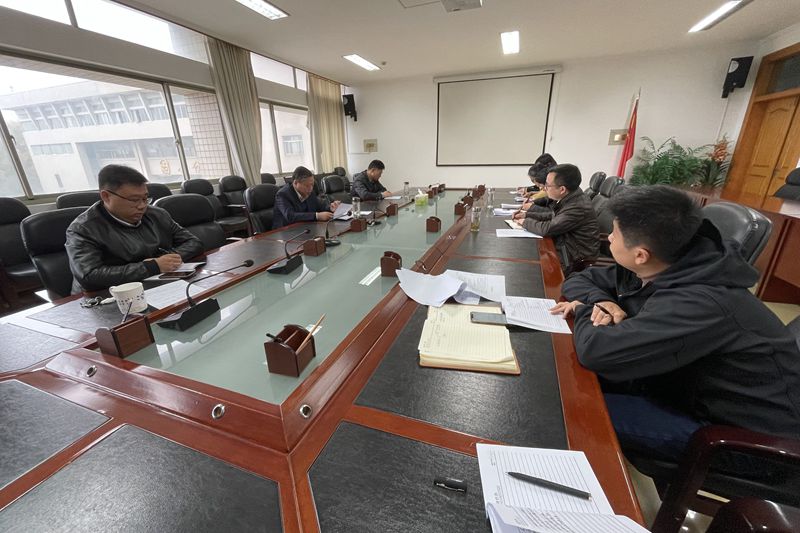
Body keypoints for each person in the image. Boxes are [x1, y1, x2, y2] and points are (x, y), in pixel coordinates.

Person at [551, 185, 800, 464]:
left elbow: (596, 351)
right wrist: (604, 301)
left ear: (641, 254)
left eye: (615, 233)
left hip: (739, 435)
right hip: (673, 387)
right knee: (562, 380)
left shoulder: (700, 300)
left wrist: (585, 310)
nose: (608, 236)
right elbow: (579, 279)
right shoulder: (665, 261)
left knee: (567, 409)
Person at [65, 165, 203, 293]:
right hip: (104, 297)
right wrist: (152, 266)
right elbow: (89, 276)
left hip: (155, 285)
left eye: (145, 198)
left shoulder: (157, 215)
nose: (142, 206)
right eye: (134, 200)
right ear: (106, 196)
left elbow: (193, 242)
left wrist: (166, 260)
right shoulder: (83, 229)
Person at [512, 163, 599, 270]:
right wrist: (527, 215)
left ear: (562, 189)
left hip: (574, 258)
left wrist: (524, 222)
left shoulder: (577, 207)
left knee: (527, 262)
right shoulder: (571, 197)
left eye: (547, 185)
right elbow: (553, 215)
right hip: (565, 246)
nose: (544, 189)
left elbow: (547, 229)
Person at [273, 166, 340, 229]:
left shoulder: (310, 192)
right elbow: (290, 216)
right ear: (295, 183)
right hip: (285, 231)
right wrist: (317, 216)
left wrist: (330, 208)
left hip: (306, 228)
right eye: (307, 186)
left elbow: (320, 206)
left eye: (312, 185)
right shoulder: (283, 195)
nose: (310, 189)